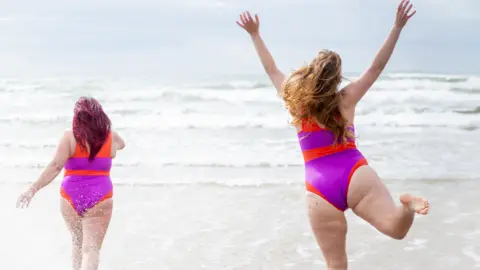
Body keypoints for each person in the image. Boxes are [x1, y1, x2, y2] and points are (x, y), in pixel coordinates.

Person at [236, 0, 429, 268]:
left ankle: (406, 207)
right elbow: (375, 69)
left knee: (336, 264)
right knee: (396, 230)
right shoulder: (346, 99)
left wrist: (255, 35)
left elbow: (271, 69)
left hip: (319, 190)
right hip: (355, 174)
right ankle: (407, 206)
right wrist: (397, 27)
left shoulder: (294, 100)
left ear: (312, 72)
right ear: (337, 78)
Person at [16, 97, 125, 270]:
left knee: (77, 243)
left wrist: (33, 188)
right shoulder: (110, 136)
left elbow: (56, 166)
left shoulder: (70, 136)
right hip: (101, 196)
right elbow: (122, 145)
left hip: (71, 196)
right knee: (91, 250)